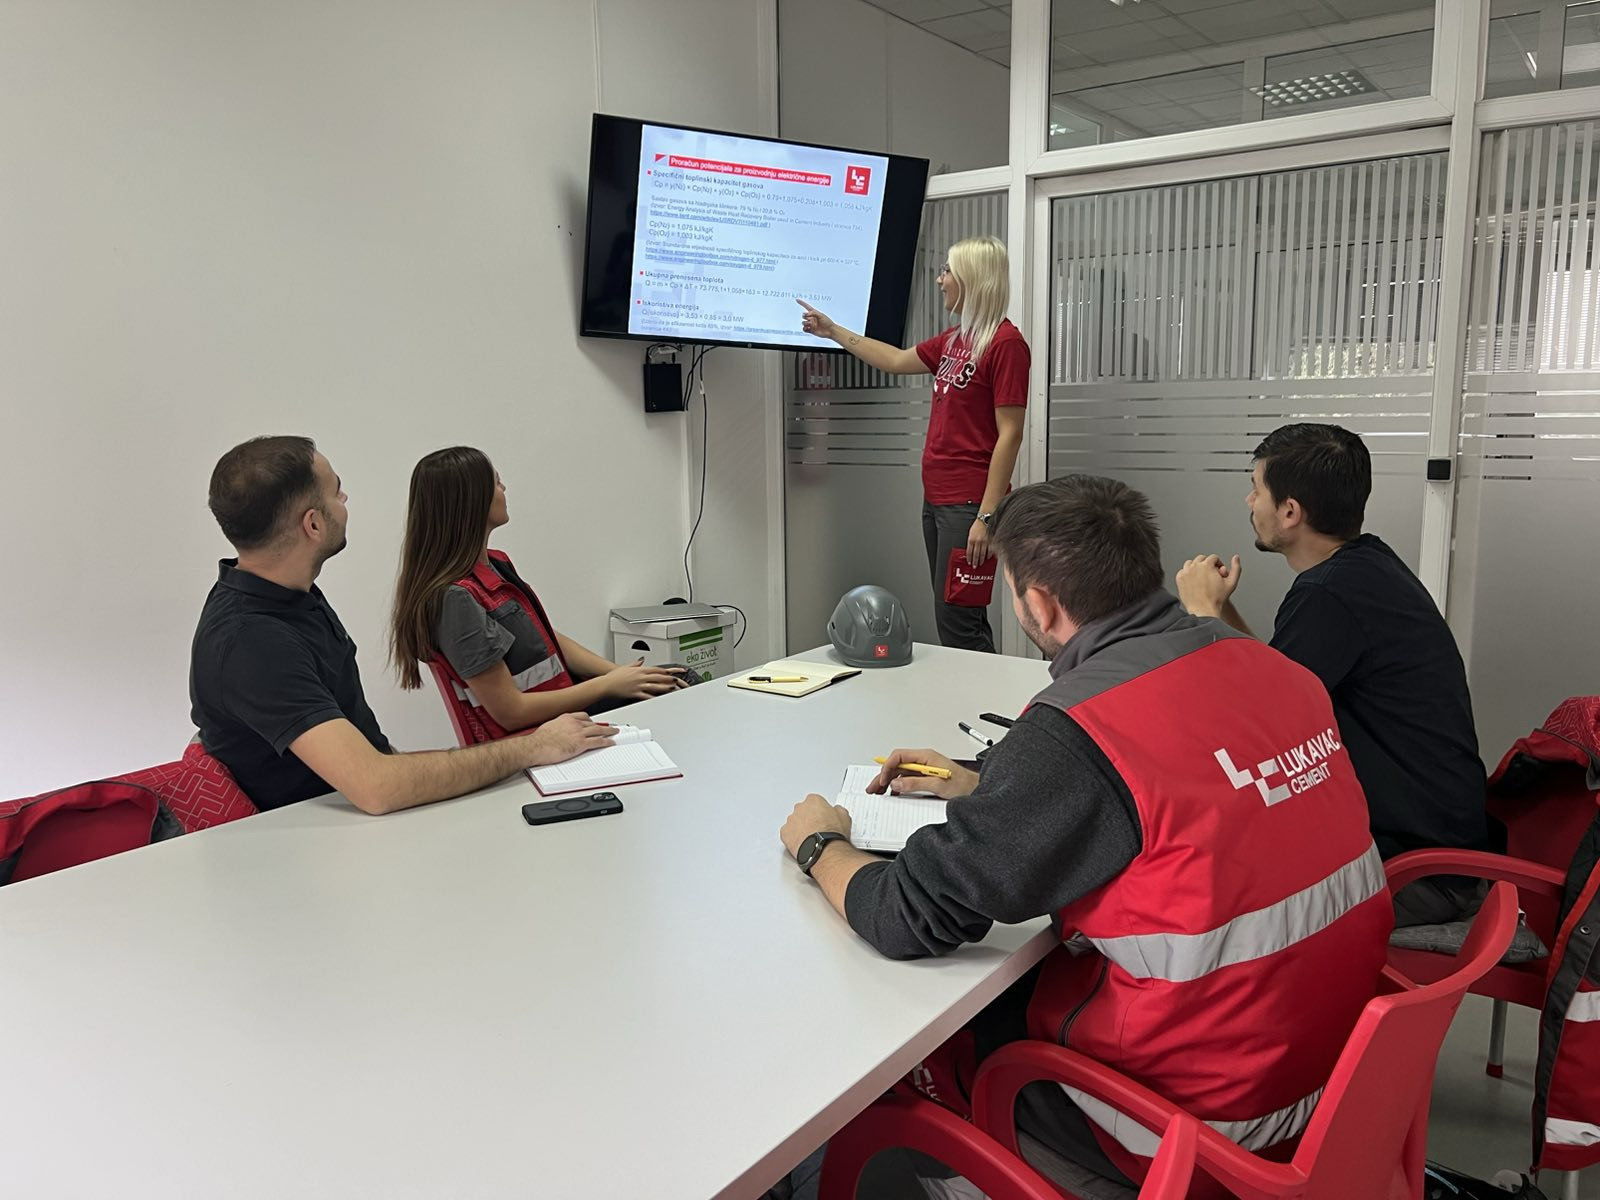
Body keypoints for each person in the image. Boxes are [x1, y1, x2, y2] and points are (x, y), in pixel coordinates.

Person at [778, 475, 1392, 1196]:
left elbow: (907, 915)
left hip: (1191, 1123)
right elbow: (1184, 779)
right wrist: (987, 780)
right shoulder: (1277, 670)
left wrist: (822, 844)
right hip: (1332, 1075)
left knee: (891, 1049)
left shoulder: (1077, 731)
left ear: (1039, 603)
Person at [190, 436, 614, 814]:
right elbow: (376, 787)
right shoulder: (252, 641)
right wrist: (535, 747)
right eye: (337, 491)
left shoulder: (289, 596)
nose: (345, 498)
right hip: (321, 841)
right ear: (313, 524)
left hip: (352, 811)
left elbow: (371, 759)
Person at [1173, 423, 1489, 924]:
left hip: (1416, 872)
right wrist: (1223, 612)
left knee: (1202, 892)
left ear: (1290, 511)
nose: (1248, 501)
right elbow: (1281, 680)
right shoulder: (1364, 567)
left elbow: (1256, 727)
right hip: (1440, 848)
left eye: (1256, 489)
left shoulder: (1328, 594)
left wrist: (1202, 614)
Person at [797, 235, 1029, 654]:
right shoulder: (955, 340)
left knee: (959, 624)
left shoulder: (1006, 344)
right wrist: (832, 332)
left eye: (947, 271)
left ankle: (982, 695)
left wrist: (987, 516)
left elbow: (1010, 434)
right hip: (937, 500)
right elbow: (895, 359)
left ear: (972, 278)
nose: (940, 280)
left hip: (969, 506)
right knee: (954, 618)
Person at [389, 446, 685, 740]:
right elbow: (511, 712)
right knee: (679, 684)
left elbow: (544, 638)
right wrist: (608, 685)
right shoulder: (455, 599)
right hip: (538, 736)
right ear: (472, 500)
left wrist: (617, 673)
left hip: (563, 713)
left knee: (673, 678)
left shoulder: (496, 565)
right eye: (496, 482)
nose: (504, 489)